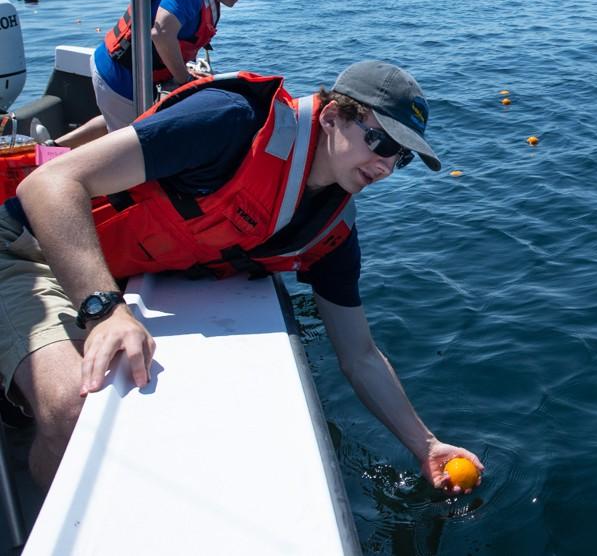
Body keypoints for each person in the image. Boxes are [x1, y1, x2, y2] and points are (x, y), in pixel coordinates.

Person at [1, 60, 484, 493]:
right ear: (333, 115)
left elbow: (359, 355)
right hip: (29, 247)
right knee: (74, 408)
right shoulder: (229, 121)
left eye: (399, 158)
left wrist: (425, 446)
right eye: (380, 141)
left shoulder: (331, 231)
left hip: (110, 269)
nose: (383, 166)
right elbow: (49, 184)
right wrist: (104, 309)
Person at [55, 0, 260, 147]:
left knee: (116, 119)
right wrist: (184, 79)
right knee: (127, 150)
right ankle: (53, 164)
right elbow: (161, 32)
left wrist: (180, 70)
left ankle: (52, 145)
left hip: (121, 70)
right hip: (121, 76)